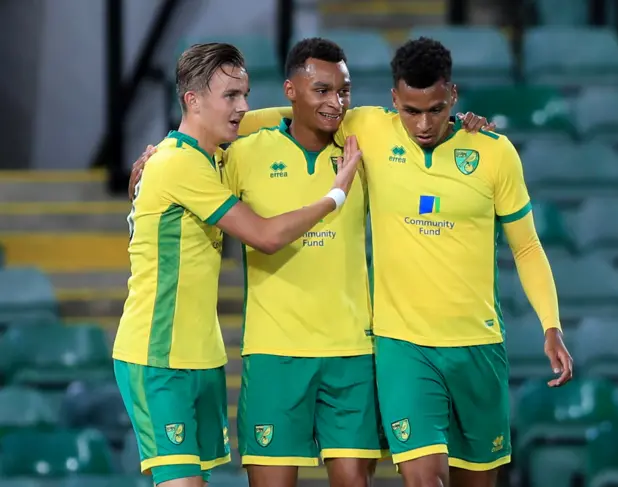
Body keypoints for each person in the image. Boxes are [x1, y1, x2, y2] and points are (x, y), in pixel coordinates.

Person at [200, 37, 575, 487]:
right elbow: (291, 112)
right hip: (386, 347)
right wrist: (179, 140)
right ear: (394, 99)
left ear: (452, 97)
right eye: (411, 111)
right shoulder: (351, 134)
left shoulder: (480, 150)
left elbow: (528, 246)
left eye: (435, 110)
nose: (422, 123)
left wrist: (550, 323)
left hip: (447, 347)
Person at [127, 40, 494, 487]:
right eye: (321, 90)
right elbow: (219, 178)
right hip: (271, 354)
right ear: (291, 89)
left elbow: (429, 125)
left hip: (351, 352)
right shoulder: (237, 155)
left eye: (344, 91)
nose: (335, 102)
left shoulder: (366, 144)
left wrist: (464, 123)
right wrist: (162, 152)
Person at [112, 42, 362, 487]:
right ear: (192, 100)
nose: (244, 108)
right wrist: (335, 194)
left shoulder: (211, 160)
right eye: (231, 96)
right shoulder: (176, 165)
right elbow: (265, 237)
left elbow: (269, 119)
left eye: (245, 94)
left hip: (202, 356)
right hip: (157, 356)